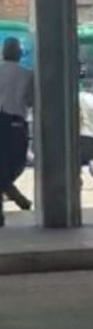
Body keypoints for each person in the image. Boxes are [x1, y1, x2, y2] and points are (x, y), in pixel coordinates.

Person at [0, 37, 33, 225]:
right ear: (19, 54)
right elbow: (30, 101)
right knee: (17, 164)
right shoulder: (27, 75)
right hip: (16, 125)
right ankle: (17, 196)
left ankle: (16, 197)